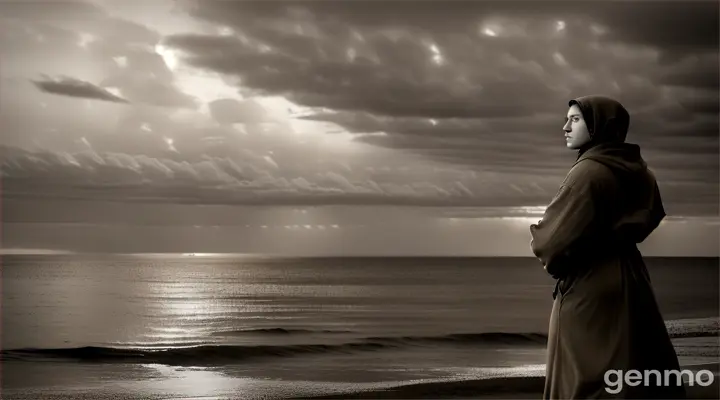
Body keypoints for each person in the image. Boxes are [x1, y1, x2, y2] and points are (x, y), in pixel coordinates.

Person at [529, 95, 685, 399]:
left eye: (575, 120)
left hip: (589, 285)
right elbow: (652, 215)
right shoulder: (641, 172)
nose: (565, 126)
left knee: (584, 375)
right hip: (632, 278)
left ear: (599, 125)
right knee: (631, 368)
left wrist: (543, 244)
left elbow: (551, 243)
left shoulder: (587, 172)